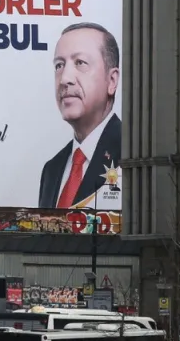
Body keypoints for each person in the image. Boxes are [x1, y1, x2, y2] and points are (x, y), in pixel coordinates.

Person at [37, 23, 122, 209]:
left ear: (112, 80)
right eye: (59, 65)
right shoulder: (52, 169)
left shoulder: (133, 155)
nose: (65, 78)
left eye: (80, 63)